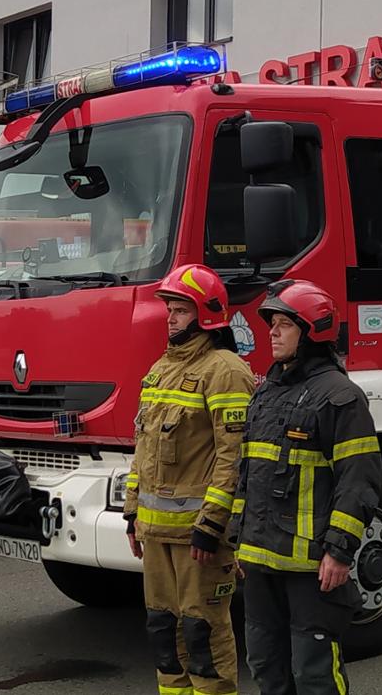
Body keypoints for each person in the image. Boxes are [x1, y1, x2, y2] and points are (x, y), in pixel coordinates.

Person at [234, 280, 381, 695]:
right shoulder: (266, 394)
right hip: (261, 562)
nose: (272, 332)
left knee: (314, 674)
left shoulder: (340, 397)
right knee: (265, 664)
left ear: (313, 331)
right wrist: (239, 541)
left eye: (284, 324)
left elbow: (359, 480)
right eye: (272, 324)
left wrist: (339, 550)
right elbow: (247, 476)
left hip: (312, 570)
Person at [123, 264, 255, 695]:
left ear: (206, 314)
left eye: (180, 309)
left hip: (199, 538)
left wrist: (213, 525)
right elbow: (142, 447)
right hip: (156, 533)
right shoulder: (161, 368)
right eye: (170, 309)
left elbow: (232, 457)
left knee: (204, 634)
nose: (171, 318)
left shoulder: (226, 370)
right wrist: (131, 514)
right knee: (164, 632)